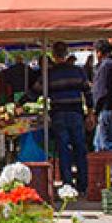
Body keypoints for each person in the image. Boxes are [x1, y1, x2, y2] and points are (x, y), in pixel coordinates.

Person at [43, 42, 91, 193]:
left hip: (58, 114)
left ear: (53, 55)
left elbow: (36, 90)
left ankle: (68, 184)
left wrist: (20, 103)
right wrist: (91, 111)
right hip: (76, 113)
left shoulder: (50, 74)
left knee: (63, 149)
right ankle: (83, 184)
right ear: (66, 53)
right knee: (80, 148)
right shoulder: (78, 71)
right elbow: (87, 92)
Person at [92, 40, 112, 152]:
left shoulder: (105, 66)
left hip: (106, 109)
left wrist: (95, 110)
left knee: (106, 144)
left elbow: (100, 92)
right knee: (99, 142)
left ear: (99, 52)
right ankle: (106, 168)